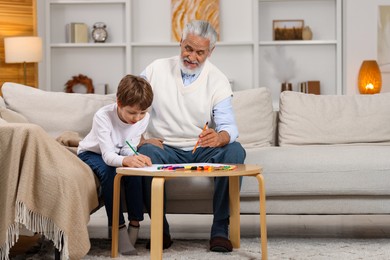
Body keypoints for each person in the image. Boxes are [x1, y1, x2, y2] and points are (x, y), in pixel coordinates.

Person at [138, 20, 246, 252]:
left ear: (210, 52)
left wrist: (221, 137)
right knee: (145, 152)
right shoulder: (154, 69)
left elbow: (229, 126)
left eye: (200, 52)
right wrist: (140, 139)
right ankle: (160, 230)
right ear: (181, 42)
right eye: (188, 49)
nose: (192, 57)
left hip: (201, 148)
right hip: (164, 147)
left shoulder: (218, 80)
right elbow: (132, 105)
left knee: (235, 150)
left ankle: (219, 229)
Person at [77, 74, 153, 255]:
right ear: (119, 103)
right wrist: (126, 159)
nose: (137, 118)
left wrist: (135, 157)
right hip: (92, 153)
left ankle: (135, 224)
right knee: (110, 172)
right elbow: (108, 156)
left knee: (135, 171)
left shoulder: (144, 118)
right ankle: (118, 228)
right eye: (132, 112)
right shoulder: (103, 117)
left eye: (142, 112)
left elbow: (127, 147)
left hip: (116, 153)